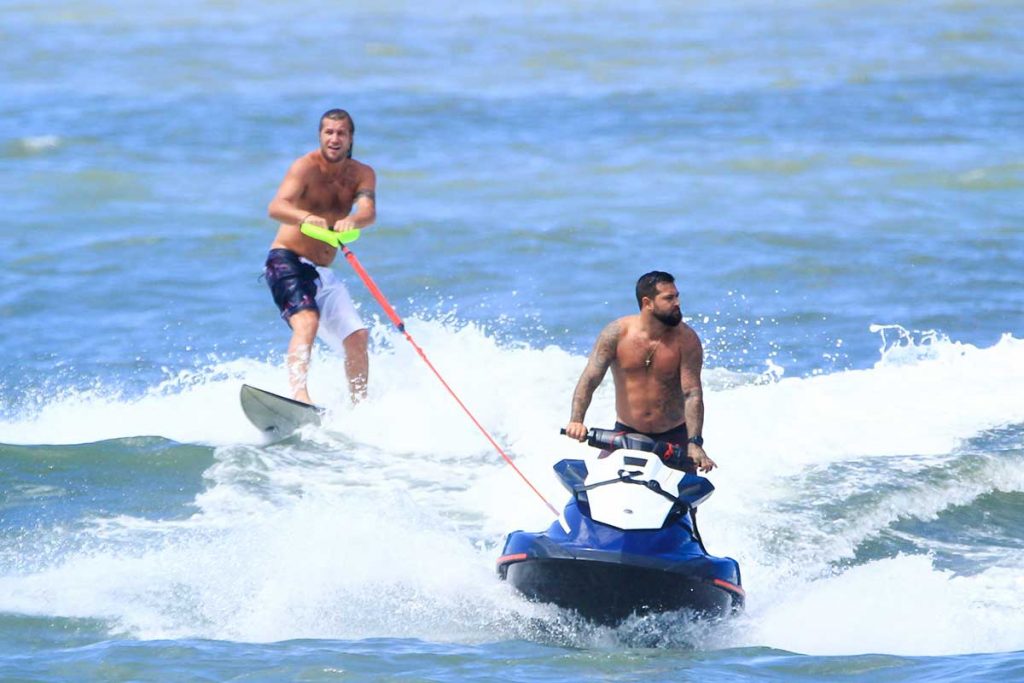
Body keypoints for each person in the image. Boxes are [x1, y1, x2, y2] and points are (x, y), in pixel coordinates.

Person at [264, 108, 376, 404]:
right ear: (320, 136)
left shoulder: (361, 174)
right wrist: (304, 217)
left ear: (350, 138)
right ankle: (300, 396)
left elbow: (368, 212)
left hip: (321, 272)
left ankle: (360, 407)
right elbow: (276, 207)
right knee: (307, 321)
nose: (334, 139)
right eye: (329, 132)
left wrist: (354, 220)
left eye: (341, 133)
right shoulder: (305, 167)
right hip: (286, 261)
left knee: (357, 336)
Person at [563, 271, 716, 474]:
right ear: (648, 303)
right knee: (595, 484)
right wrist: (576, 421)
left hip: (673, 438)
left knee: (685, 491)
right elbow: (590, 379)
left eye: (677, 296)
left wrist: (695, 442)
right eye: (669, 298)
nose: (677, 303)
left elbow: (692, 394)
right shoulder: (616, 334)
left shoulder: (686, 340)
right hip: (625, 435)